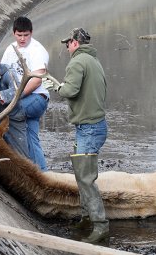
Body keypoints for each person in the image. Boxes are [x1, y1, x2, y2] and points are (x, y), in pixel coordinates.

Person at [43, 28, 109, 243]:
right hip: (95, 126)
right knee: (83, 175)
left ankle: (100, 227)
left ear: (75, 43)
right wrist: (60, 85)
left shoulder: (77, 62)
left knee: (86, 179)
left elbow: (70, 91)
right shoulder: (93, 61)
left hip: (88, 128)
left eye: (67, 43)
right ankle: (86, 219)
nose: (66, 47)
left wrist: (55, 86)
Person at [1, 16, 49, 172]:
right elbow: (2, 75)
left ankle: (15, 164)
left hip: (37, 99)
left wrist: (15, 97)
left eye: (26, 35)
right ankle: (43, 175)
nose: (22, 39)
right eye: (19, 35)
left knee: (8, 115)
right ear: (14, 33)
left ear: (31, 33)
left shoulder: (37, 50)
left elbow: (37, 81)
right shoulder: (10, 49)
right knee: (31, 138)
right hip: (21, 99)